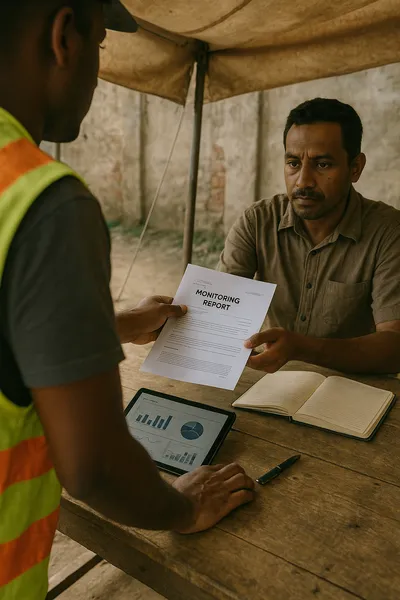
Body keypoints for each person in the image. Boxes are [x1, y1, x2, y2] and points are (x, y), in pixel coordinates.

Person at [0, 2, 254, 598]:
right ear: (65, 36)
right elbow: (95, 467)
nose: (95, 72)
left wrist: (109, 325)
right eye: (100, 48)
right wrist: (181, 509)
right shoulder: (42, 199)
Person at [218, 98, 400, 374]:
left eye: (323, 165)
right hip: (272, 384)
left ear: (355, 168)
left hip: (353, 389)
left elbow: (394, 346)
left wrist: (302, 348)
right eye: (293, 163)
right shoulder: (257, 221)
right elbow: (218, 310)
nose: (303, 181)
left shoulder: (388, 231)